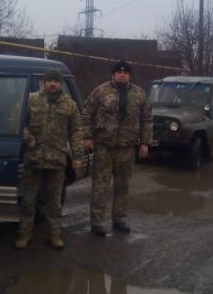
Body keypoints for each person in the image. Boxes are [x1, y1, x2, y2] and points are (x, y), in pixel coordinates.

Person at [83, 60, 153, 237]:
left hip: (126, 148)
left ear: (129, 75)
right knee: (100, 186)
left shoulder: (139, 94)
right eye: (118, 72)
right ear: (113, 74)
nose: (122, 74)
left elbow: (146, 119)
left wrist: (145, 143)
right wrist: (87, 137)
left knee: (123, 186)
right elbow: (87, 114)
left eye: (125, 72)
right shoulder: (101, 91)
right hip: (104, 147)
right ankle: (97, 222)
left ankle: (119, 219)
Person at [16, 68, 83, 250]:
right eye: (49, 80)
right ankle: (24, 234)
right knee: (29, 200)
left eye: (56, 81)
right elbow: (17, 120)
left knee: (55, 202)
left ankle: (54, 234)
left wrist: (77, 156)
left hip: (57, 160)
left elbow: (76, 130)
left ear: (61, 84)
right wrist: (28, 137)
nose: (53, 83)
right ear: (44, 83)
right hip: (34, 159)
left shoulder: (70, 105)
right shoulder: (31, 100)